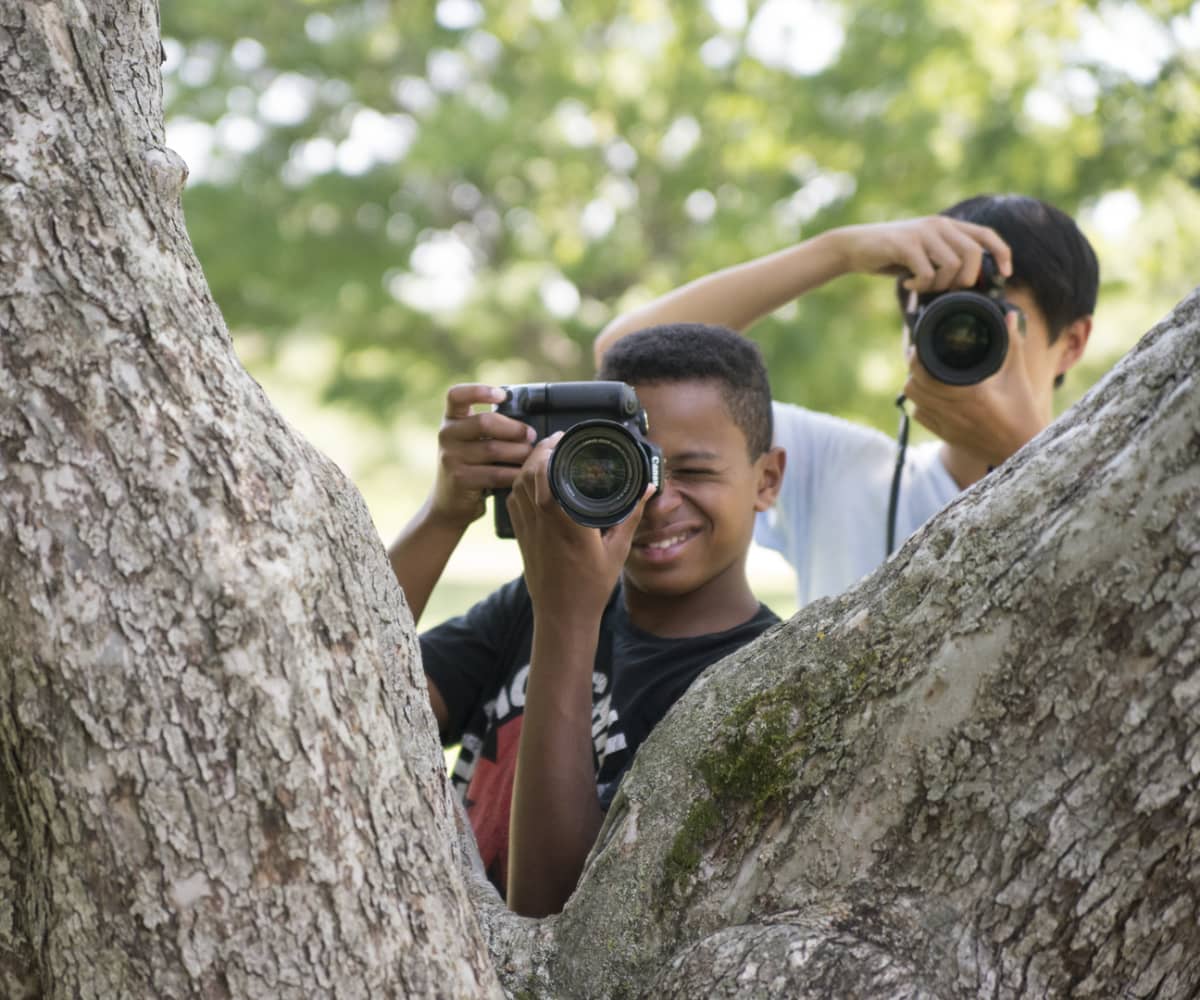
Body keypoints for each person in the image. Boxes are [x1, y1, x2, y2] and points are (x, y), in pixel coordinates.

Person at [388, 323, 786, 917]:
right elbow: (341, 695)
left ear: (767, 479)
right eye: (622, 463)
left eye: (694, 471)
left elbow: (554, 919)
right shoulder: (529, 604)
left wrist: (566, 615)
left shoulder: (763, 686)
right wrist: (444, 515)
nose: (655, 498)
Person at [594, 194, 1099, 606]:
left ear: (1072, 343)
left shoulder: (1105, 487)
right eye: (934, 313)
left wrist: (1022, 449)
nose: (957, 337)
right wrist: (838, 253)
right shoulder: (845, 469)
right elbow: (626, 360)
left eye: (989, 316)